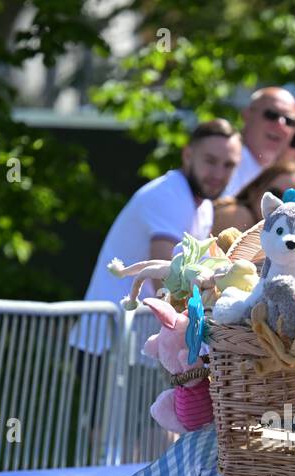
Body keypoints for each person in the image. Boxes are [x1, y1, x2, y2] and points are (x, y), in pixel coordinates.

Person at [73, 118, 240, 355]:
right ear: (188, 155)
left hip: (133, 348)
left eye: (229, 165)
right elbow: (164, 280)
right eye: (210, 161)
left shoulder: (203, 206)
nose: (218, 173)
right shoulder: (170, 195)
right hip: (109, 347)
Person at [223, 87, 295, 197]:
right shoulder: (221, 161)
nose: (280, 124)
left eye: (289, 121)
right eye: (271, 114)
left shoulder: (288, 182)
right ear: (246, 115)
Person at [212, 160, 295, 233]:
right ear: (254, 191)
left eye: (291, 200)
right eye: (275, 194)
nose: (281, 204)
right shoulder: (240, 215)